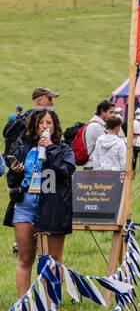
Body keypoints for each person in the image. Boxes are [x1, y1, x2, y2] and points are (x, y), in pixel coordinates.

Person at [4, 108, 75, 295]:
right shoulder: (24, 148)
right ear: (35, 127)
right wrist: (15, 171)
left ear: (55, 126)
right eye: (41, 122)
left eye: (49, 122)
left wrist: (50, 147)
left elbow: (66, 171)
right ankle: (24, 304)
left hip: (52, 205)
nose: (45, 126)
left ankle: (50, 303)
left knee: (52, 258)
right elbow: (13, 181)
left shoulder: (63, 148)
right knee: (25, 258)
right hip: (26, 204)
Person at [81, 99, 115, 166]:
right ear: (102, 111)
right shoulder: (96, 126)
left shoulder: (99, 125)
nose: (113, 115)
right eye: (111, 112)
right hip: (95, 166)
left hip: (96, 165)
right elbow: (109, 145)